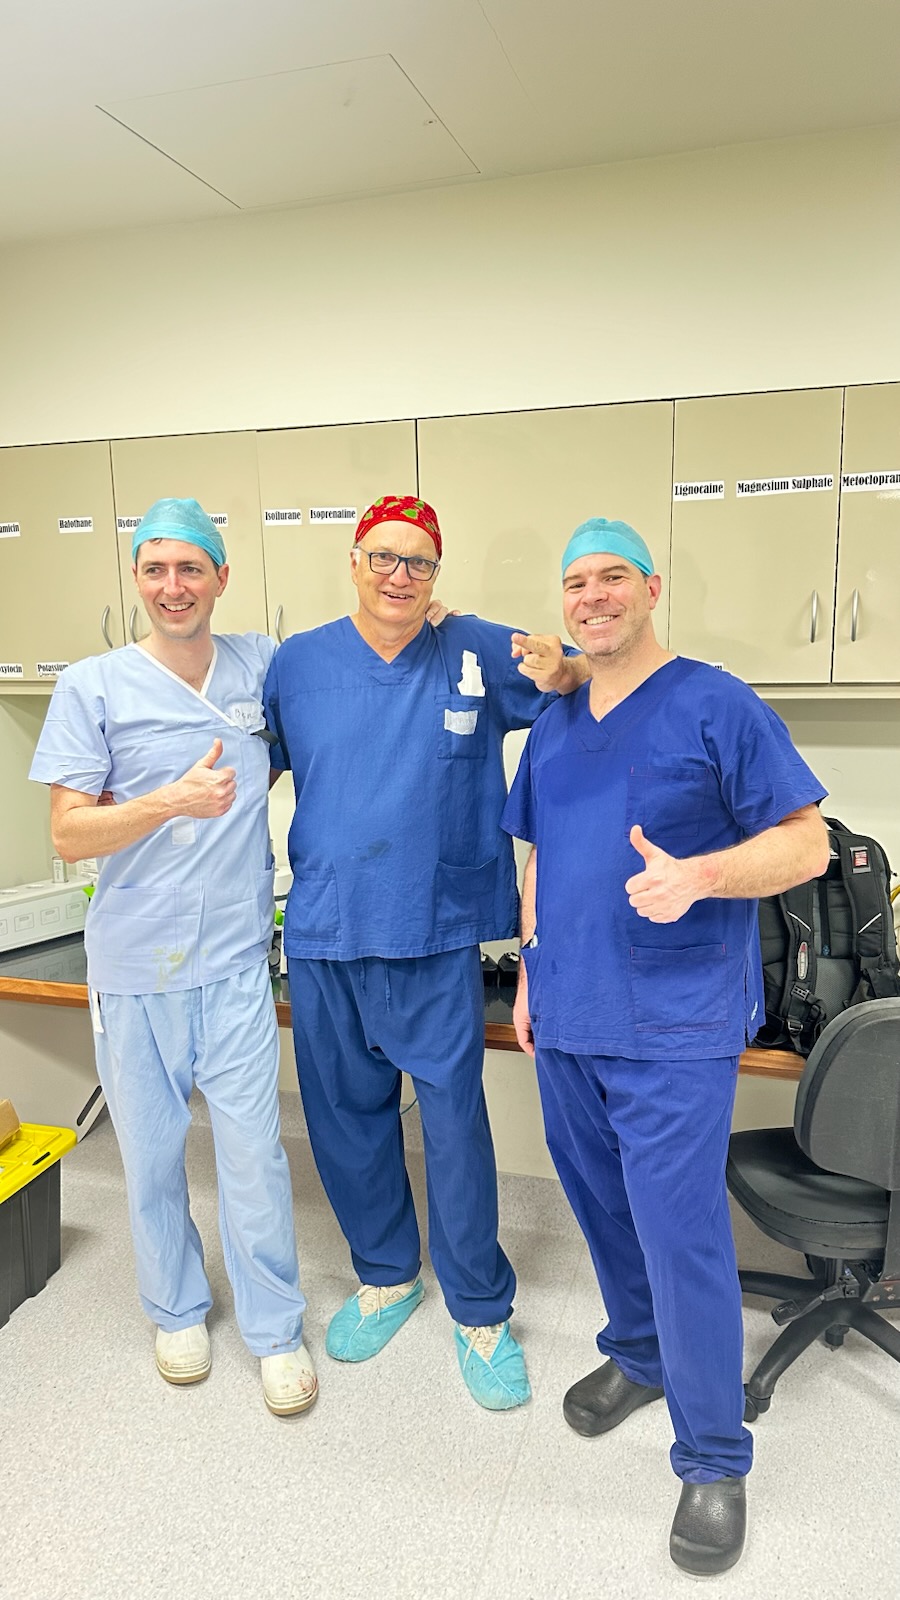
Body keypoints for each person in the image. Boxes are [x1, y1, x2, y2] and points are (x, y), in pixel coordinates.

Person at [501, 517, 829, 1573]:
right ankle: (637, 1354)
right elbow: (544, 846)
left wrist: (700, 875)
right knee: (599, 1207)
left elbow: (806, 842)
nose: (591, 597)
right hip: (568, 1012)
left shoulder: (714, 703)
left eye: (611, 579)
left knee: (678, 1230)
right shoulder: (554, 719)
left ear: (651, 587)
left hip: (676, 1023)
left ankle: (713, 1456)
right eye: (574, 584)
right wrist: (529, 963)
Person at [263, 493, 588, 1410]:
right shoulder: (299, 663)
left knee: (453, 1128)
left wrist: (478, 623)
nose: (399, 576)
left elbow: (571, 678)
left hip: (432, 930)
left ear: (438, 576)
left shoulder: (475, 649)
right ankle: (387, 1272)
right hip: (326, 928)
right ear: (353, 561)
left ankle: (481, 1310)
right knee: (345, 1119)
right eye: (383, 558)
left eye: (419, 563)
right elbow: (257, 769)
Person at [30, 497, 317, 1417]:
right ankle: (176, 1310)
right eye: (154, 570)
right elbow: (70, 834)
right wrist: (166, 804)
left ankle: (275, 1330)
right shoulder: (93, 684)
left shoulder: (258, 664)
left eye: (191, 568)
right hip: (134, 968)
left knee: (252, 1155)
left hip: (234, 959)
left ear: (222, 579)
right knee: (152, 1156)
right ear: (136, 583)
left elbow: (308, 715)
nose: (172, 586)